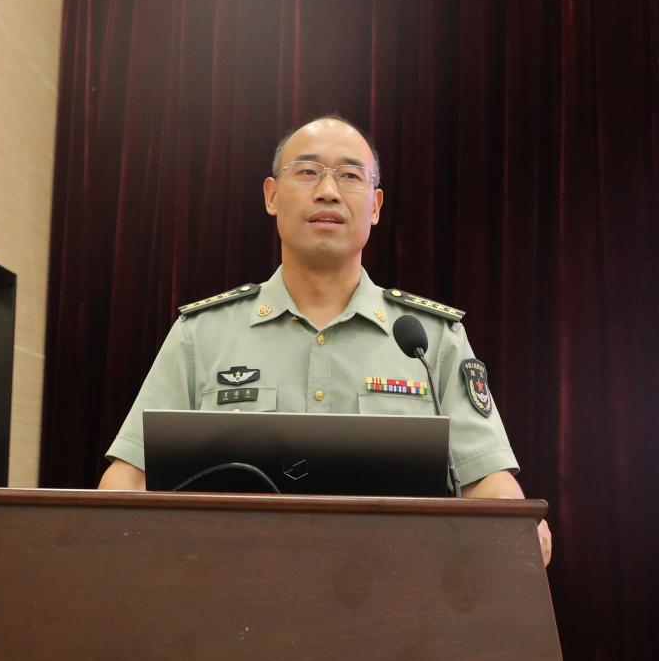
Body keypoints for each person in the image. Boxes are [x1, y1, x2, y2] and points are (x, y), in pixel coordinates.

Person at [99, 115, 552, 566]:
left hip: (394, 592)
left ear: (375, 206)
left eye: (350, 175)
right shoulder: (202, 335)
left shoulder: (431, 341)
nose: (328, 191)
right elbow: (130, 477)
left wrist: (516, 525)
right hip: (228, 587)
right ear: (271, 195)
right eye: (308, 171)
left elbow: (485, 480)